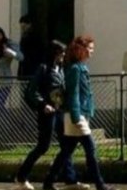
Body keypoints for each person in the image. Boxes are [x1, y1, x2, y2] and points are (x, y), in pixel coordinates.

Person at [43, 35, 115, 190]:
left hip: (78, 114)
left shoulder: (80, 67)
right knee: (90, 148)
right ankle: (100, 184)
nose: (92, 51)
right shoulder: (75, 69)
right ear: (80, 49)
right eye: (90, 48)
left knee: (66, 151)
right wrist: (76, 116)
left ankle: (48, 182)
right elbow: (73, 93)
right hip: (76, 115)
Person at [14, 40, 81, 190]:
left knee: (66, 145)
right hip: (47, 113)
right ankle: (21, 177)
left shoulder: (61, 69)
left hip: (59, 110)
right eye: (61, 52)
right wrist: (43, 104)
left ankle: (70, 179)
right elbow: (31, 91)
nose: (63, 55)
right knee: (43, 146)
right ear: (54, 53)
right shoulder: (43, 69)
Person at [0, 26, 23, 110]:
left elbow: (21, 57)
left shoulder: (9, 44)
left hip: (5, 80)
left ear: (2, 34)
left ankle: (4, 118)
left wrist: (11, 53)